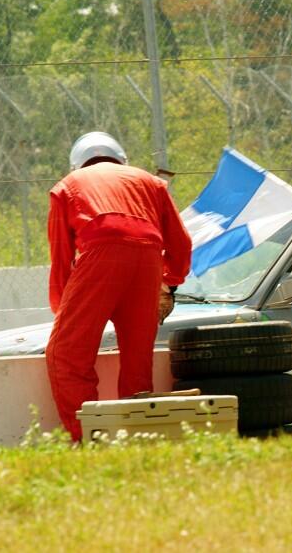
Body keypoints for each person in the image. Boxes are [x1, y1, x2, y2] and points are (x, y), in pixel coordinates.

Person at [46, 131, 192, 441]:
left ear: (78, 165)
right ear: (122, 160)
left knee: (66, 354)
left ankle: (87, 438)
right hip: (149, 261)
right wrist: (170, 282)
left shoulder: (67, 186)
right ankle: (140, 438)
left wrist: (64, 313)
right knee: (137, 362)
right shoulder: (151, 183)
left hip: (100, 255)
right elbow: (181, 243)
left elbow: (60, 260)